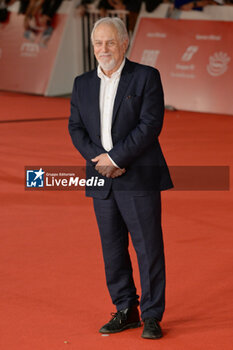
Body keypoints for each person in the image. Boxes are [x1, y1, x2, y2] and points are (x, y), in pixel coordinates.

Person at [68, 17, 173, 340]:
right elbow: (76, 127)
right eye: (98, 43)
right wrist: (100, 161)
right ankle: (126, 309)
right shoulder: (82, 82)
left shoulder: (145, 77)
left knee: (148, 247)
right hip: (101, 178)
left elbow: (150, 125)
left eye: (110, 42)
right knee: (112, 249)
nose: (103, 49)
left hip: (138, 176)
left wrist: (116, 158)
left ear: (124, 43)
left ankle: (152, 315)